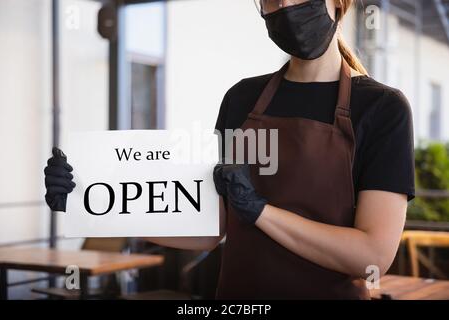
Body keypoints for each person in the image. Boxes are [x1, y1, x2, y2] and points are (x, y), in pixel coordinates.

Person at [44, 0, 415, 299]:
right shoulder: (242, 99)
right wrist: (94, 206)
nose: (285, 5)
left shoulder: (382, 109)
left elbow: (372, 257)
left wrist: (260, 212)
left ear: (339, 3)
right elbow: (210, 228)